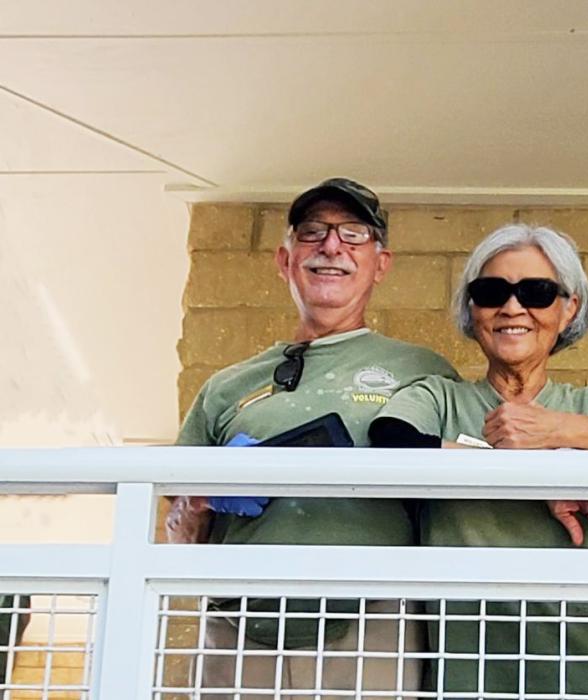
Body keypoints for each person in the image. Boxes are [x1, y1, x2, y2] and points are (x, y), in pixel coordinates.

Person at [369, 223, 588, 696]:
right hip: (465, 680)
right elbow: (391, 443)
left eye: (536, 292)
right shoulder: (441, 399)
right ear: (473, 309)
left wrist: (558, 432)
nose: (513, 307)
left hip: (586, 676)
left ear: (568, 307)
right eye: (492, 291)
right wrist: (541, 477)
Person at [167, 178, 458, 698]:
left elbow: (471, 485)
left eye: (353, 233)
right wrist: (203, 494)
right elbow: (177, 530)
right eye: (312, 232)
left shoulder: (422, 371)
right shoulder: (225, 386)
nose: (331, 246)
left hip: (373, 626)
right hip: (238, 630)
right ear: (284, 260)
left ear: (381, 263)